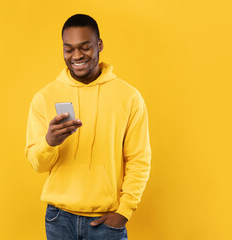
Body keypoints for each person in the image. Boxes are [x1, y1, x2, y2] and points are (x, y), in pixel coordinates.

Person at [25, 14, 151, 240]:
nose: (76, 56)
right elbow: (37, 164)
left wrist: (124, 211)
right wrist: (49, 143)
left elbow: (139, 159)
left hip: (106, 221)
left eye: (85, 47)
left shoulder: (129, 97)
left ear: (99, 45)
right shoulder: (44, 97)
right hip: (58, 219)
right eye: (68, 49)